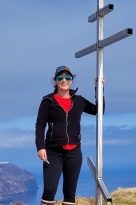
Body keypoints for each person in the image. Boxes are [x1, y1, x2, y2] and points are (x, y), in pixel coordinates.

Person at [35, 65, 104, 205]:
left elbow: (99, 110)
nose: (64, 80)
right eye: (60, 77)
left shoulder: (79, 101)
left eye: (68, 77)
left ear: (72, 80)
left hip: (74, 152)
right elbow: (40, 125)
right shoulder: (48, 101)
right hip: (53, 152)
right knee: (49, 190)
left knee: (69, 193)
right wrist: (40, 147)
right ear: (55, 81)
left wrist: (98, 88)